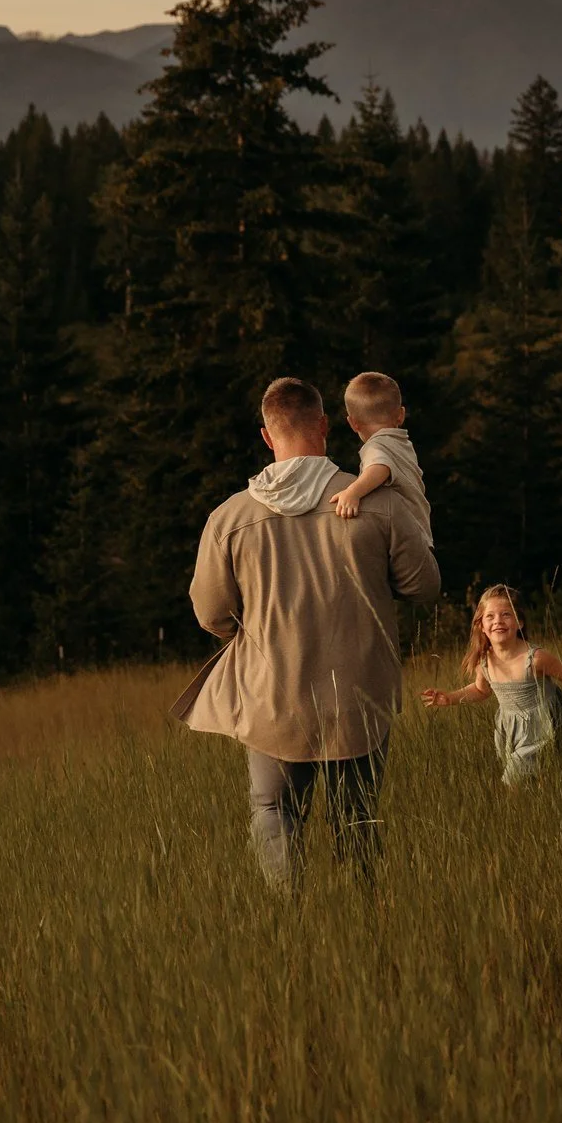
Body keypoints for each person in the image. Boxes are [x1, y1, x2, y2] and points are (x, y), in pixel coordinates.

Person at [175, 377, 441, 888]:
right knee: (357, 821)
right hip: (360, 696)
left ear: (267, 437)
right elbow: (423, 586)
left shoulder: (229, 518)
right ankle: (363, 922)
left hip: (270, 698)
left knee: (275, 814)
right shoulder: (379, 503)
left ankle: (290, 928)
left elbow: (210, 613)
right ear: (324, 426)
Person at [420, 584, 562, 784]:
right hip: (511, 729)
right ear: (481, 625)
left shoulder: (535, 658)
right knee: (541, 783)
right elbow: (480, 690)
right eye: (490, 616)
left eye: (506, 614)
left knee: (513, 781)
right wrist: (449, 698)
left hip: (544, 725)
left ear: (520, 622)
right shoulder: (484, 661)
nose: (498, 621)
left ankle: (510, 818)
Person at [328, 371, 433, 547]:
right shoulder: (402, 443)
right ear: (401, 415)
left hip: (404, 535)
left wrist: (354, 491)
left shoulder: (376, 445)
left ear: (353, 423)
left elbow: (380, 466)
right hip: (419, 530)